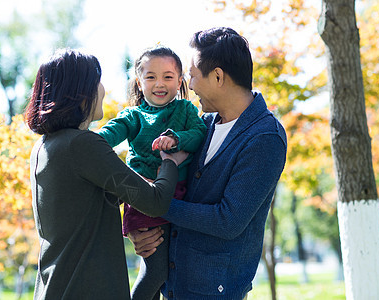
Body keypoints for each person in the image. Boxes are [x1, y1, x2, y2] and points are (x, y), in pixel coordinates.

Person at [128, 27, 287, 300]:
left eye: (191, 74)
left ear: (217, 76)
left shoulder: (264, 137)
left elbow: (228, 220)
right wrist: (141, 229)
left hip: (215, 292)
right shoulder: (203, 124)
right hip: (175, 285)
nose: (188, 85)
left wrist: (153, 203)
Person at [24, 48, 188, 300]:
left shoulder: (45, 146)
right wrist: (170, 161)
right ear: (80, 93)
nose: (103, 89)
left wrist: (136, 228)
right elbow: (155, 201)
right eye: (97, 82)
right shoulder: (82, 145)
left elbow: (92, 202)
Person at [97, 45, 207, 300]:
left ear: (180, 81)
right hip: (144, 199)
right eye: (150, 77)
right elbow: (109, 134)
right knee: (156, 271)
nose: (160, 83)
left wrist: (177, 139)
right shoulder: (133, 116)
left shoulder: (186, 110)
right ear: (139, 81)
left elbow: (199, 134)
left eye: (168, 76)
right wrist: (88, 140)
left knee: (168, 272)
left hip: (178, 198)